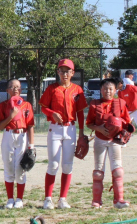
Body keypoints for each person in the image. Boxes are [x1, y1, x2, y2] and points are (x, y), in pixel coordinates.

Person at [39, 59, 88, 210]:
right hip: (55, 128)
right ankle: (48, 199)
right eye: (62, 70)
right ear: (58, 72)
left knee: (67, 165)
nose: (65, 73)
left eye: (68, 71)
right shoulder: (52, 88)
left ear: (72, 73)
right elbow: (43, 107)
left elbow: (80, 112)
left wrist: (81, 133)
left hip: (71, 129)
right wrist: (52, 113)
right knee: (53, 164)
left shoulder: (77, 90)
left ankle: (62, 199)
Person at [86, 78, 131, 209]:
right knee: (98, 172)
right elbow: (89, 124)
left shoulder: (121, 103)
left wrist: (119, 126)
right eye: (105, 88)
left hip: (115, 140)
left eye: (110, 88)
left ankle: (119, 200)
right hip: (100, 139)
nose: (108, 91)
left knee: (118, 170)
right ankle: (96, 201)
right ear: (101, 90)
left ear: (115, 90)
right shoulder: (95, 104)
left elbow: (127, 122)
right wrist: (99, 128)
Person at [0, 78, 35, 209]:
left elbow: (30, 126)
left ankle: (19, 198)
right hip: (8, 134)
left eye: (18, 87)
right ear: (7, 90)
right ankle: (10, 199)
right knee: (8, 167)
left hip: (22, 136)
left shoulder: (26, 105)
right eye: (12, 87)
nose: (15, 89)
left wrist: (31, 145)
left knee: (20, 169)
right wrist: (11, 116)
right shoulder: (3, 105)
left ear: (21, 89)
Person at [118, 70, 137, 134]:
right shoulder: (128, 83)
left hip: (136, 108)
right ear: (129, 75)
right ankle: (122, 138)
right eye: (132, 75)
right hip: (130, 109)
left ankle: (122, 138)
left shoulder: (128, 86)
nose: (133, 76)